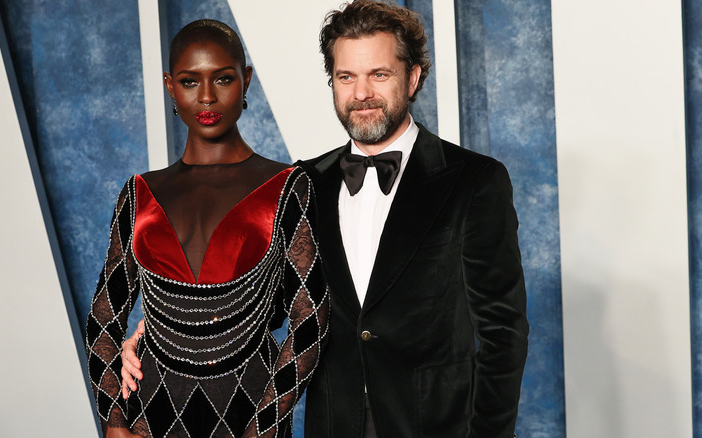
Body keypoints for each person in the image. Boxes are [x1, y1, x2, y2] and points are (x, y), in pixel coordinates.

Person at [123, 1, 529, 436]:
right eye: (346, 77)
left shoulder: (474, 180)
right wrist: (160, 328)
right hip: (334, 423)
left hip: (438, 425)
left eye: (379, 74)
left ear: (412, 78)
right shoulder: (303, 182)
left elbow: (503, 332)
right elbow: (271, 304)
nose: (361, 93)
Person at [85, 19, 329, 438]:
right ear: (169, 86)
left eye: (223, 78)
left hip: (252, 413)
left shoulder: (286, 186)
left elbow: (311, 317)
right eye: (189, 81)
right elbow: (103, 318)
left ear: (246, 79)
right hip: (149, 415)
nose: (207, 97)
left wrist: (265, 427)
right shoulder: (140, 193)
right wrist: (113, 420)